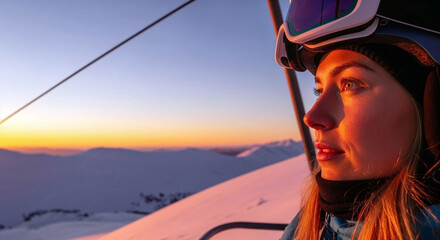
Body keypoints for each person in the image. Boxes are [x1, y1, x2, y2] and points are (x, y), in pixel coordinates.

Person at [274, 0, 440, 239]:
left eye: (349, 84)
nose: (312, 117)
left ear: (430, 110)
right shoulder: (313, 225)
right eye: (318, 91)